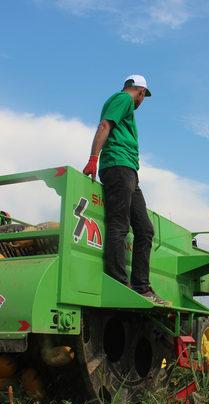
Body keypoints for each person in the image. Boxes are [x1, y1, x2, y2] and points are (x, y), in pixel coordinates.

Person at [82, 75, 166, 305]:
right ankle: (118, 282)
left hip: (128, 171)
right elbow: (105, 125)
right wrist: (93, 158)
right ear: (139, 92)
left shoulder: (124, 102)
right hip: (118, 166)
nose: (141, 102)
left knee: (145, 229)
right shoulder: (123, 99)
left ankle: (141, 286)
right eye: (143, 97)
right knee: (119, 224)